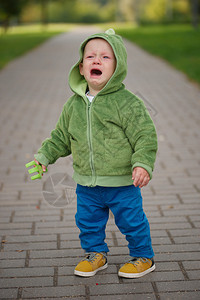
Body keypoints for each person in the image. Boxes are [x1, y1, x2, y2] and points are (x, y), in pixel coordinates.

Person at [34, 29, 158, 278]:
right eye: (90, 57)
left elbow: (145, 135)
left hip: (122, 181)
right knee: (87, 222)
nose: (97, 61)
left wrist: (143, 164)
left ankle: (143, 256)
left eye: (105, 57)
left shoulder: (128, 103)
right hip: (87, 183)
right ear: (81, 68)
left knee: (132, 222)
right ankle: (95, 254)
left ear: (117, 68)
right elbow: (61, 137)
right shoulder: (73, 105)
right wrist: (44, 156)